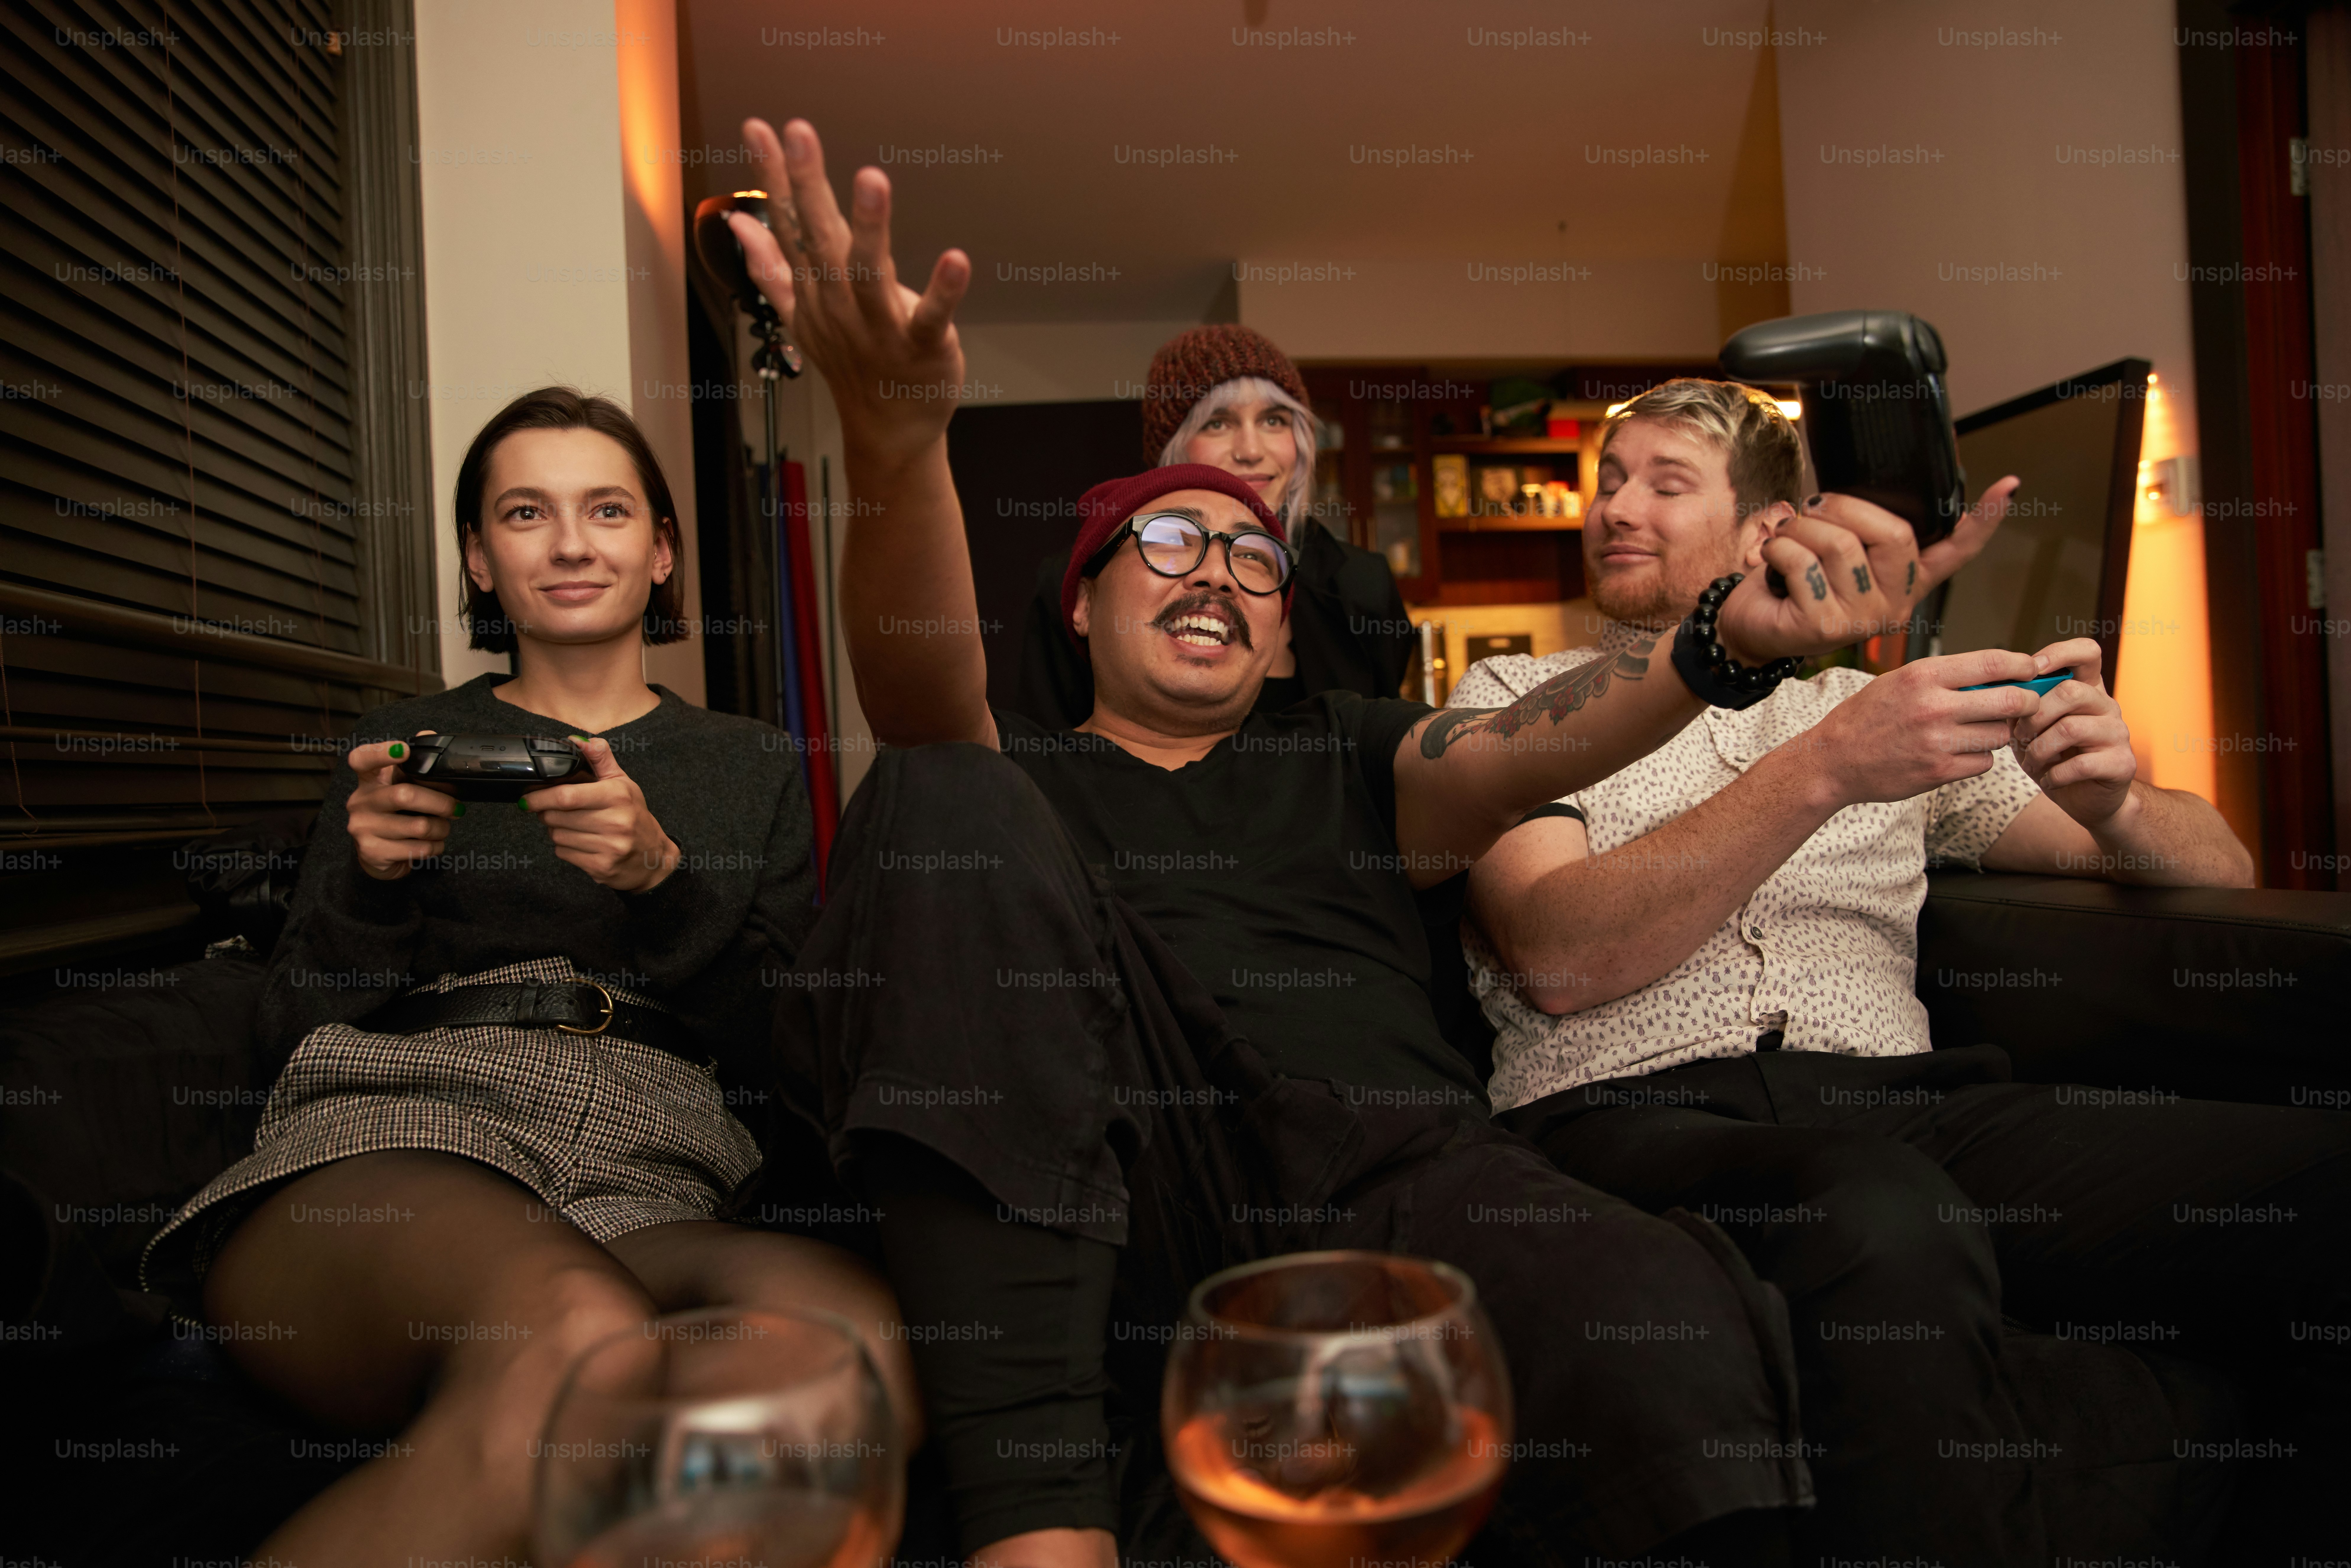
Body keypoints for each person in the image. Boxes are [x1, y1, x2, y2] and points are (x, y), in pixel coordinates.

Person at [722, 116, 1999, 1567]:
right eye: (1165, 543)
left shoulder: (1350, 742)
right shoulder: (1014, 775)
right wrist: (895, 441)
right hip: (1127, 1163)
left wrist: (1718, 642)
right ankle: (1042, 1527)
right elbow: (917, 685)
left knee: (1650, 1297)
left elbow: (1536, 740)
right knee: (939, 795)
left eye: (1256, 559)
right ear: (1079, 608)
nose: (1217, 565)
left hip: (1391, 1159)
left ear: (1279, 638)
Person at [1450, 377, 2348, 1559]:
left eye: (1665, 484)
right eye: (1609, 482)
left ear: (1767, 529)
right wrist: (1823, 770)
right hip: (1630, 1112)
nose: (1617, 508)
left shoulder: (1878, 706)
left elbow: (2218, 867)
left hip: (1906, 1104)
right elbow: (1558, 955)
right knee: (1877, 1213)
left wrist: (2116, 799)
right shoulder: (1510, 698)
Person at [139, 388, 919, 1564]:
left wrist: (665, 882)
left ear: (660, 553)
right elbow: (284, 1037)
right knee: (572, 1331)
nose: (567, 543)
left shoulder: (751, 764)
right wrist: (369, 882)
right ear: (478, 557)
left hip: (651, 1172)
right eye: (523, 512)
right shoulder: (398, 741)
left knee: (846, 1343)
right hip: (406, 1141)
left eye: (606, 510)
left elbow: (796, 1066)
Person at [1013, 325, 1413, 727]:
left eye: (1274, 420)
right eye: (1218, 424)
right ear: (1173, 449)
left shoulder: (1363, 586)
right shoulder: (1085, 579)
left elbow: (1385, 753)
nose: (1252, 451)